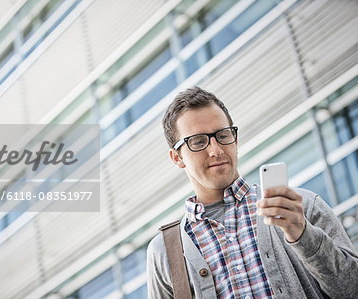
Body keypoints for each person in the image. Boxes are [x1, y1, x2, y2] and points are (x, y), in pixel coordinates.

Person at [146, 86, 358, 298]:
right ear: (177, 158)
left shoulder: (301, 207)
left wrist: (303, 235)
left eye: (223, 135)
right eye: (199, 142)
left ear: (235, 141)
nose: (216, 150)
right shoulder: (165, 252)